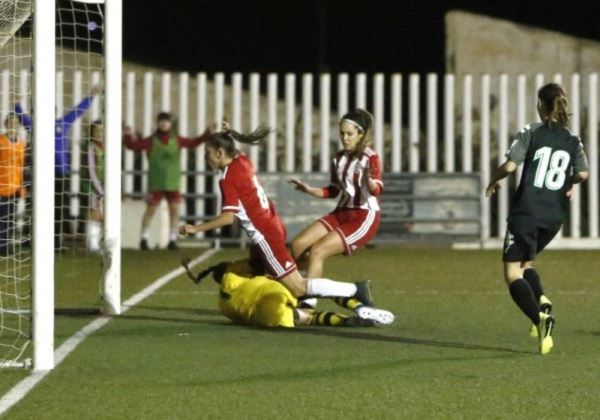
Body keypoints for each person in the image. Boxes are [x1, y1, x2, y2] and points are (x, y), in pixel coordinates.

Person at [179, 125, 394, 325]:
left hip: (265, 237)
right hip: (274, 225)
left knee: (298, 287)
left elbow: (228, 217)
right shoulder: (242, 161)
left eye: (207, 153)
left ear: (219, 153)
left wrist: (195, 228)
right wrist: (229, 133)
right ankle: (343, 302)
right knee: (274, 271)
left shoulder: (226, 179)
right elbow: (237, 152)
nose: (206, 158)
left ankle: (354, 290)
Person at [485, 82, 589, 355]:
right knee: (525, 263)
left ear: (541, 104)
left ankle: (540, 320)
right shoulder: (573, 139)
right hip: (553, 217)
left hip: (526, 214)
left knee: (511, 274)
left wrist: (493, 180)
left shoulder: (532, 131)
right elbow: (583, 174)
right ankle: (541, 300)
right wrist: (569, 182)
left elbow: (509, 165)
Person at [289, 109, 382, 310]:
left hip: (363, 216)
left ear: (361, 134)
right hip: (341, 212)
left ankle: (307, 303)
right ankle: (301, 287)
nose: (344, 138)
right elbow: (332, 191)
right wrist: (309, 189)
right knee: (297, 245)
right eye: (342, 133)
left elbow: (377, 189)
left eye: (349, 134)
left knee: (317, 251)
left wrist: (370, 182)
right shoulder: (338, 158)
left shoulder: (370, 158)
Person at [181, 257, 387, 328]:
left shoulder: (223, 305)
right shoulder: (231, 274)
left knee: (308, 318)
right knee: (313, 288)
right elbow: (255, 263)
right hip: (274, 294)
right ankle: (359, 305)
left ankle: (343, 321)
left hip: (269, 319)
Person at [15, 84, 102, 250]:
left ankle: (55, 243)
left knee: (58, 209)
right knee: (35, 206)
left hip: (61, 174)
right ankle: (29, 239)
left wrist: (90, 97)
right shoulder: (35, 126)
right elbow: (22, 117)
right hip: (41, 174)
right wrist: (17, 104)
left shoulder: (62, 123)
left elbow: (78, 111)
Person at [123, 112, 211, 251]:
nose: (164, 124)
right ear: (157, 123)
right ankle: (143, 238)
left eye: (167, 121)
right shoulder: (151, 141)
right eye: (162, 121)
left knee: (174, 210)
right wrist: (127, 135)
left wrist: (207, 133)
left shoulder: (177, 140)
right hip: (156, 181)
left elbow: (194, 143)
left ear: (171, 124)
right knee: (150, 210)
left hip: (172, 181)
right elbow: (133, 146)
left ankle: (172, 239)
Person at [0, 113, 26, 256]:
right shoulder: (0, 141)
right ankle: (3, 246)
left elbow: (22, 166)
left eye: (15, 122)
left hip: (15, 186)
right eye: (10, 122)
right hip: (1, 186)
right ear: (6, 124)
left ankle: (7, 245)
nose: (13, 125)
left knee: (10, 218)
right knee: (2, 218)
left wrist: (22, 186)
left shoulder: (22, 144)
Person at [80, 120, 104, 253]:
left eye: (101, 130)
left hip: (102, 184)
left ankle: (97, 243)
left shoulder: (106, 146)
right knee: (94, 212)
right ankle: (92, 244)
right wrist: (100, 190)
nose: (99, 133)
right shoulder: (90, 147)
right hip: (91, 184)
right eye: (97, 130)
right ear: (91, 132)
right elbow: (91, 170)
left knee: (102, 213)